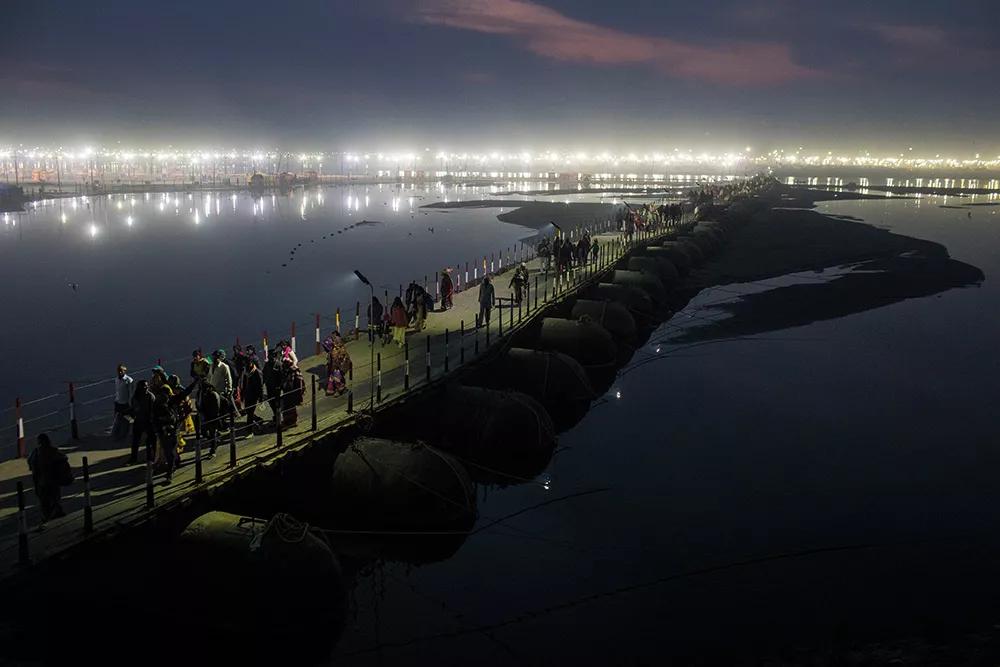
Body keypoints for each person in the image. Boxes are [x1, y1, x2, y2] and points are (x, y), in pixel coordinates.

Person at [27, 433, 71, 527]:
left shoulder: (36, 453)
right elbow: (64, 458)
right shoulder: (53, 451)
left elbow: (31, 465)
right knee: (55, 497)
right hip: (53, 480)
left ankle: (47, 518)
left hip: (41, 481)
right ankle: (56, 514)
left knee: (44, 501)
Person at [151, 383, 178, 482]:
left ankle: (170, 468)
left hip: (167, 431)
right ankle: (170, 470)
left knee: (168, 451)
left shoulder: (163, 402)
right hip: (166, 431)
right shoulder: (163, 404)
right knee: (169, 452)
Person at [129, 379, 155, 465]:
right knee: (135, 441)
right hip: (138, 421)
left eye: (147, 386)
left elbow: (153, 410)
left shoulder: (150, 396)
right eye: (144, 386)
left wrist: (151, 420)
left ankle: (151, 458)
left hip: (148, 421)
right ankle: (133, 458)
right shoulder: (135, 397)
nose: (146, 388)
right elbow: (133, 408)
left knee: (150, 441)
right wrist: (132, 415)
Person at [209, 349, 236, 421]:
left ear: (218, 358)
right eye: (213, 357)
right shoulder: (211, 366)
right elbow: (209, 376)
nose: (214, 359)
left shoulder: (224, 366)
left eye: (215, 357)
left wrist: (229, 389)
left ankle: (230, 420)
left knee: (224, 407)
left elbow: (229, 378)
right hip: (213, 389)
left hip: (221, 390)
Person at [241, 357, 265, 434]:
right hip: (247, 394)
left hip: (254, 395)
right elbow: (244, 384)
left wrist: (261, 398)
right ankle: (258, 420)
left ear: (252, 363)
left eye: (248, 363)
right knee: (248, 411)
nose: (246, 365)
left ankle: (249, 430)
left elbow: (260, 386)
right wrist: (242, 395)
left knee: (250, 413)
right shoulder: (246, 372)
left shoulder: (257, 372)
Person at [280, 359, 305, 428]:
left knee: (291, 407)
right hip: (287, 391)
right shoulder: (285, 371)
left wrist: (299, 392)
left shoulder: (294, 371)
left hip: (292, 392)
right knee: (286, 407)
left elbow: (299, 382)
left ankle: (293, 421)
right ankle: (287, 421)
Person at [112, 364, 133, 440]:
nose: (120, 372)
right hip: (118, 403)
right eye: (119, 371)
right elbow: (117, 391)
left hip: (125, 403)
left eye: (121, 371)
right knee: (117, 419)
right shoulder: (116, 379)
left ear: (125, 371)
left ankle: (126, 435)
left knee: (127, 420)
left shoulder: (129, 380)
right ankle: (117, 434)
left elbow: (131, 393)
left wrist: (130, 403)